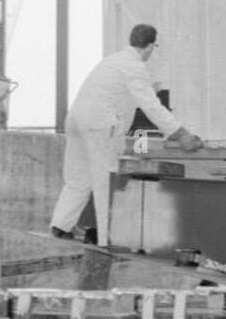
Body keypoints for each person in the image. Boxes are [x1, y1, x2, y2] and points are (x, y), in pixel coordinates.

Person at [50, 23, 202, 247]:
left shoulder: (113, 61)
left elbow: (125, 103)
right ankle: (105, 239)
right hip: (98, 123)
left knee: (77, 179)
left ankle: (60, 226)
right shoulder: (135, 67)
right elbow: (151, 105)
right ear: (151, 46)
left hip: (75, 120)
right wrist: (180, 134)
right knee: (105, 180)